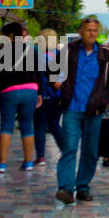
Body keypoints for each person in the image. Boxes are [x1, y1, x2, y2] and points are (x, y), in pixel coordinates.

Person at [54, 17, 109, 203]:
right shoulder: (70, 51)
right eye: (88, 30)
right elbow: (53, 71)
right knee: (69, 147)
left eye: (94, 30)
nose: (92, 33)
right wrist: (56, 83)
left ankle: (82, 186)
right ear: (81, 32)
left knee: (90, 151)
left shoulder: (105, 56)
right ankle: (65, 188)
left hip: (95, 109)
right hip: (72, 108)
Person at [0, 21, 42, 173]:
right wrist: (39, 93)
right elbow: (38, 73)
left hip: (9, 92)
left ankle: (2, 163)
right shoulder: (31, 50)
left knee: (6, 125)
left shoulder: (4, 52)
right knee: (27, 125)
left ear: (10, 35)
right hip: (30, 90)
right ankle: (28, 162)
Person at [33, 28, 64, 166]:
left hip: (41, 94)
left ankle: (40, 156)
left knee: (39, 125)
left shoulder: (36, 55)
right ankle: (65, 150)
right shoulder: (60, 54)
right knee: (55, 125)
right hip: (58, 95)